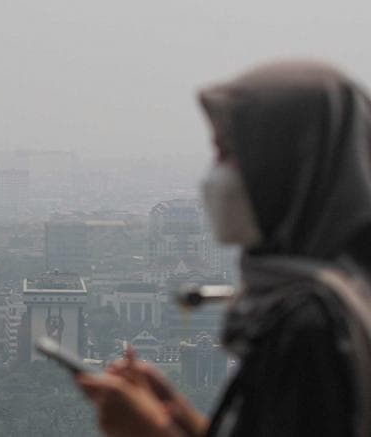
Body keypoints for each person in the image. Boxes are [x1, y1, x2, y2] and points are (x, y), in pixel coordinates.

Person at [76, 60, 371, 437]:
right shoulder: (333, 291)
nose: (216, 174)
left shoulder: (309, 325)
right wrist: (179, 414)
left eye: (226, 154)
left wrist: (148, 430)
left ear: (283, 167)